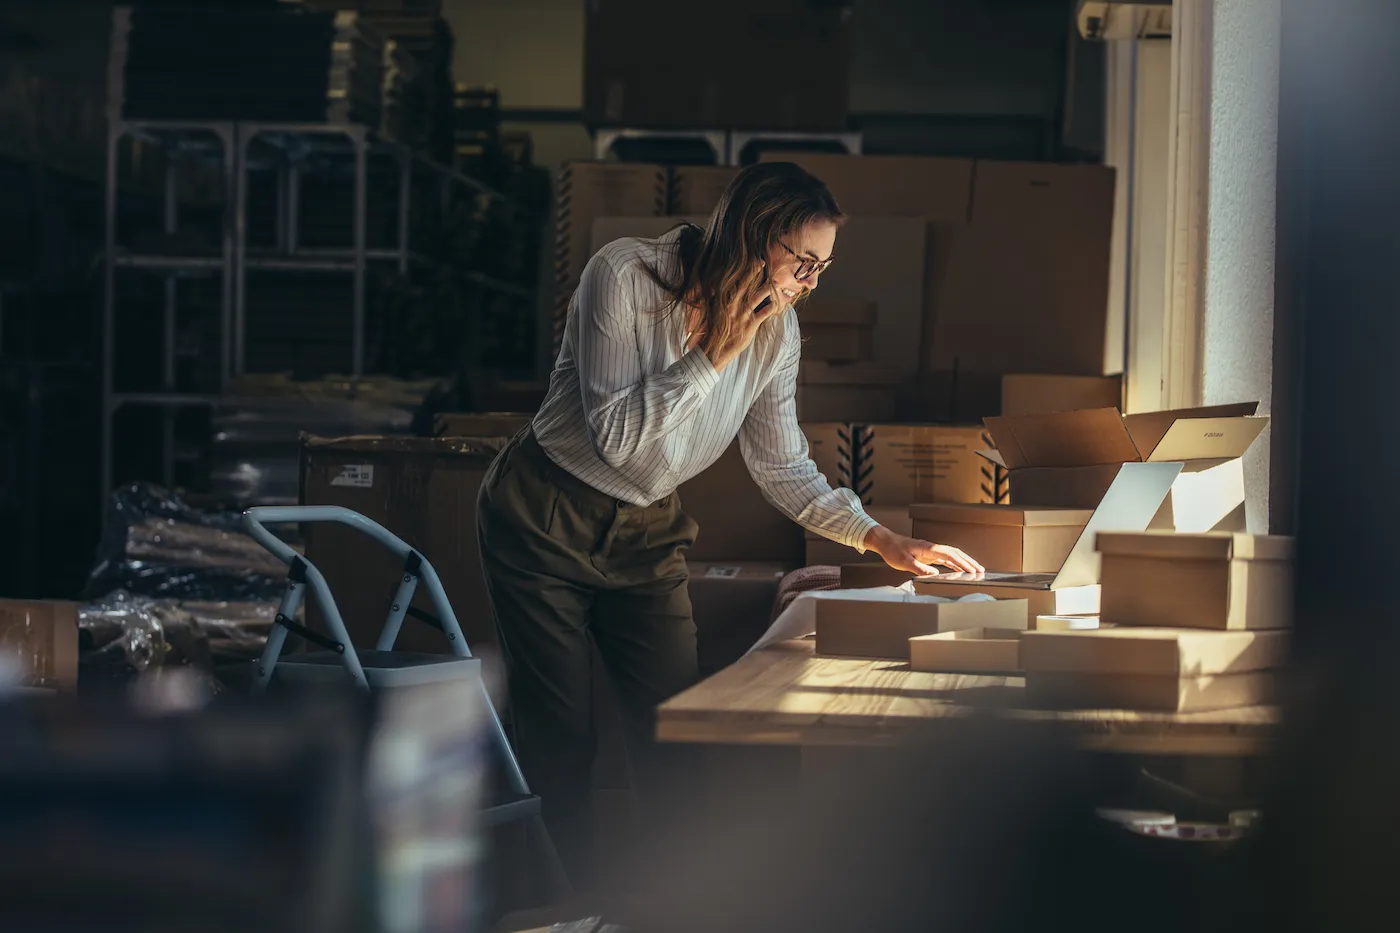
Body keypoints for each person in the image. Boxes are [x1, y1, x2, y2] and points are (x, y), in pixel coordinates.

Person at [476, 161, 983, 878]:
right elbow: (618, 439)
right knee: (561, 739)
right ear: (754, 235)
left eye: (822, 268)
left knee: (679, 723)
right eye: (802, 262)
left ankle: (671, 905)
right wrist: (714, 354)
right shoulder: (623, 276)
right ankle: (568, 907)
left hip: (646, 525)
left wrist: (880, 536)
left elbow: (783, 465)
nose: (810, 284)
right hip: (542, 510)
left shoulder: (779, 335)